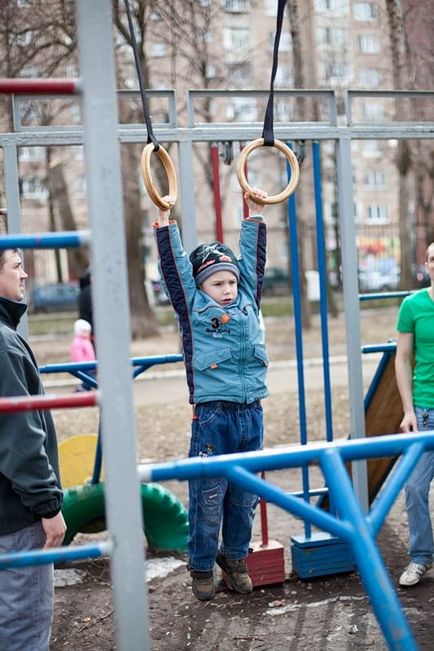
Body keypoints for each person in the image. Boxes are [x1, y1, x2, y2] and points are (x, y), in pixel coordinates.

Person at [154, 188, 269, 602]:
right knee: (209, 496)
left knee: (245, 496)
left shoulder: (248, 301)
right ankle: (202, 563)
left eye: (231, 281)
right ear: (201, 287)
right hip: (213, 417)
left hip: (252, 413)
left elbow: (253, 263)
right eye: (217, 282)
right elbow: (175, 272)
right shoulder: (193, 311)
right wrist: (166, 221)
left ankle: (234, 556)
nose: (227, 289)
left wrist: (255, 213)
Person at [0, 248, 66, 650]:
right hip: (15, 516)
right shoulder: (4, 345)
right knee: (23, 627)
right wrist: (48, 506)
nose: (25, 275)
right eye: (16, 266)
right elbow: (19, 436)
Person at [395, 241, 434, 587]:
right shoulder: (413, 305)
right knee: (415, 487)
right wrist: (408, 410)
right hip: (425, 412)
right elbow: (402, 358)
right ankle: (421, 557)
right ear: (427, 263)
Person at [70, 318, 96, 390]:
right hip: (83, 366)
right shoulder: (78, 342)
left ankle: (82, 390)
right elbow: (78, 356)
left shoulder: (85, 341)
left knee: (89, 381)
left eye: (88, 331)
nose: (87, 333)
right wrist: (86, 364)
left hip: (88, 366)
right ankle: (80, 390)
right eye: (84, 331)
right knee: (91, 380)